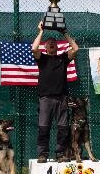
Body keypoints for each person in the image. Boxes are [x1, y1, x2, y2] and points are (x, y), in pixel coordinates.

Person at [32, 21, 79, 163]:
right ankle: (43, 154)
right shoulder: (42, 59)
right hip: (45, 98)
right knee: (43, 128)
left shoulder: (63, 58)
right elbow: (34, 48)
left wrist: (64, 32)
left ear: (58, 46)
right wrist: (41, 31)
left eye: (54, 42)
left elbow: (75, 48)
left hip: (61, 98)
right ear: (45, 47)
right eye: (49, 42)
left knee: (63, 128)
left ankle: (60, 154)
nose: (51, 43)